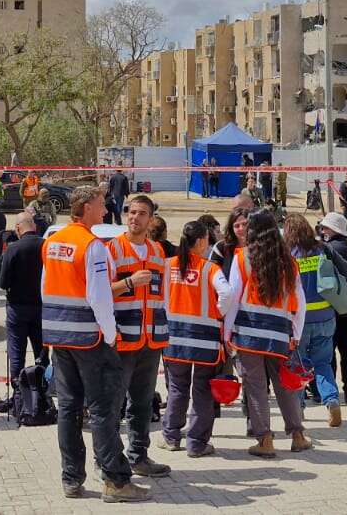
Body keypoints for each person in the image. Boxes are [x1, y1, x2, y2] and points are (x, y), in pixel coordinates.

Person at [41, 184, 149, 502]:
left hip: (59, 336)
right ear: (87, 206)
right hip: (91, 338)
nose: (105, 210)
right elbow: (99, 297)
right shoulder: (92, 246)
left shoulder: (53, 242)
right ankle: (116, 481)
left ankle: (71, 478)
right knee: (104, 409)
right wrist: (111, 334)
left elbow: (45, 286)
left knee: (69, 408)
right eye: (101, 204)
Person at [222, 207, 309, 458]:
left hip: (249, 335)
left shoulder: (242, 258)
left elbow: (233, 299)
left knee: (256, 388)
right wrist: (296, 334)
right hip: (280, 335)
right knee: (285, 386)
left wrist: (227, 333)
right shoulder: (289, 262)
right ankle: (298, 435)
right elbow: (299, 303)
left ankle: (265, 440)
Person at [108, 194, 171, 478]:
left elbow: (164, 297)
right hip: (122, 339)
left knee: (143, 404)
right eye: (131, 212)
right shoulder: (113, 249)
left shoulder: (158, 252)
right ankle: (109, 460)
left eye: (141, 213)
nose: (135, 217)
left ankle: (138, 456)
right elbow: (101, 292)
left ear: (151, 219)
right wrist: (130, 282)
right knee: (112, 404)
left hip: (151, 340)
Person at [161, 219, 227, 458]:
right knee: (202, 391)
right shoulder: (210, 269)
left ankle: (170, 436)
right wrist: (219, 312)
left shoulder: (167, 266)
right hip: (204, 342)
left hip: (174, 340)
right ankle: (196, 443)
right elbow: (227, 293)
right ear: (200, 242)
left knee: (177, 388)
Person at [285, 214, 347, 425]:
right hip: (326, 317)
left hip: (299, 321)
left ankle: (298, 409)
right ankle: (331, 401)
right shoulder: (323, 248)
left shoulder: (288, 255)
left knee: (297, 366)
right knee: (323, 363)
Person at [318, 212, 347, 404]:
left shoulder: (329, 249)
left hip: (331, 306)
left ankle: (331, 390)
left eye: (325, 228)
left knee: (329, 350)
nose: (323, 231)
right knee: (346, 349)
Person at [0, 210, 45, 390]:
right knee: (41, 350)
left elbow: (3, 282)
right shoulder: (46, 246)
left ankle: (18, 392)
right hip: (41, 307)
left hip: (18, 307)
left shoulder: (13, 248)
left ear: (18, 229)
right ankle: (41, 388)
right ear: (34, 226)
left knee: (17, 351)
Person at [209, 207, 249, 279]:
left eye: (245, 224)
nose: (241, 228)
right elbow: (211, 276)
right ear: (231, 229)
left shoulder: (259, 246)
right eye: (237, 226)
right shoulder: (221, 248)